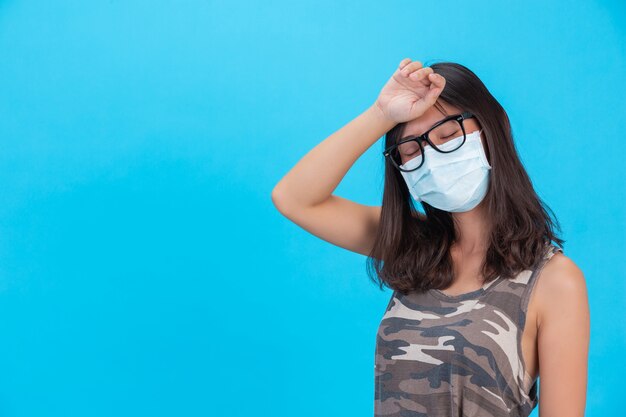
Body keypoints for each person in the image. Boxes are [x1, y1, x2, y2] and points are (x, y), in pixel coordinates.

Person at [271, 58, 590, 417]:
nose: (431, 156)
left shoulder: (554, 281)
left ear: (493, 127)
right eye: (410, 150)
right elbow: (294, 198)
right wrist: (381, 114)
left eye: (448, 134)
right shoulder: (411, 243)